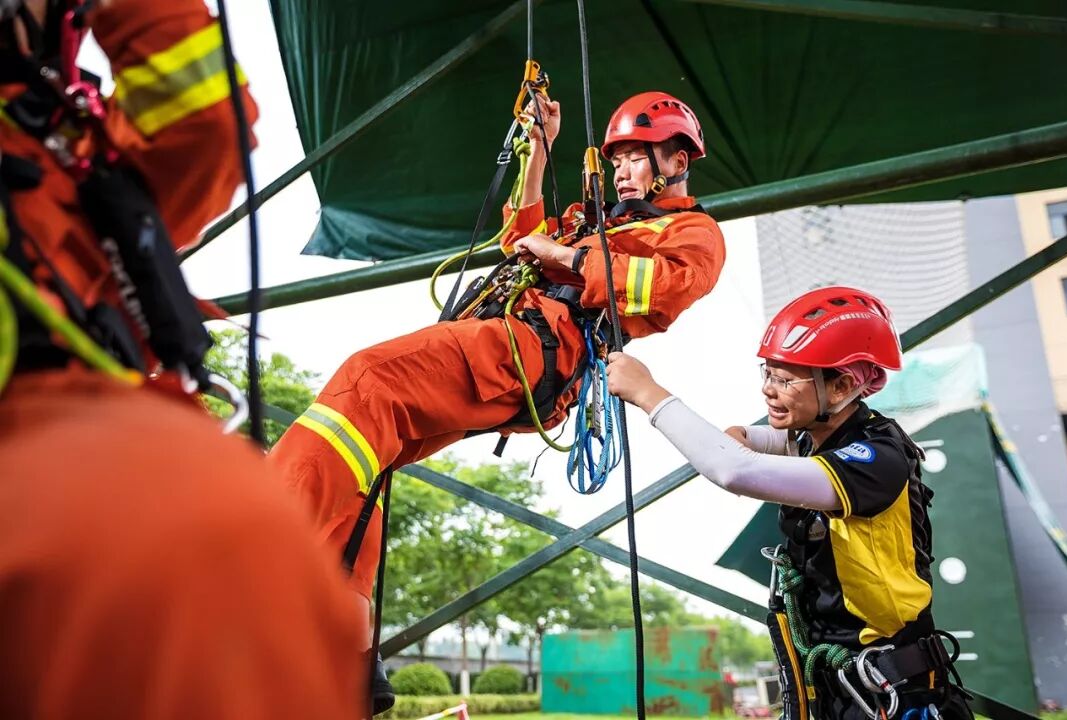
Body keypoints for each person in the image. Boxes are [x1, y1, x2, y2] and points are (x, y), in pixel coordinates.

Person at [0, 1, 364, 717]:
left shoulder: (60, 132)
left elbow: (204, 132)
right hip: (93, 470)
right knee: (205, 532)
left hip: (104, 431)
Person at [270, 90, 726, 657]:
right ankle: (346, 639)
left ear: (677, 162)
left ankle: (255, 557)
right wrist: (539, 148)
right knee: (373, 447)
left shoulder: (692, 234)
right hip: (512, 345)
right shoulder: (593, 220)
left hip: (536, 349)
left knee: (368, 383)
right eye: (617, 160)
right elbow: (519, 239)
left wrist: (561, 258)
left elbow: (664, 289)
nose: (622, 171)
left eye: (637, 157)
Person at [606, 286, 974, 720]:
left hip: (894, 695)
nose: (769, 390)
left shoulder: (875, 458)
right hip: (837, 691)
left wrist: (649, 393)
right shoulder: (812, 439)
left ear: (841, 387)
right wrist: (743, 440)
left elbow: (734, 471)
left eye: (784, 380)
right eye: (767, 373)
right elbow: (741, 442)